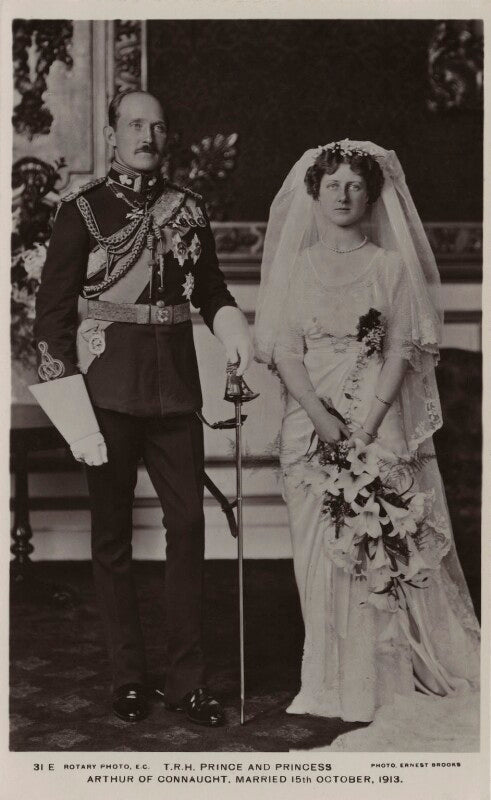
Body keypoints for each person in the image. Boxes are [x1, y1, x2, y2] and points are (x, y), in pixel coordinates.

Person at [32, 89, 252, 726]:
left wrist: (232, 327)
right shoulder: (82, 210)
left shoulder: (189, 208)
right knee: (112, 538)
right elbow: (51, 318)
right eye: (134, 125)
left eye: (156, 126)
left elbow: (209, 288)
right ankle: (128, 677)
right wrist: (72, 412)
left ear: (166, 136)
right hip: (106, 395)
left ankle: (187, 683)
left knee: (188, 529)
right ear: (111, 135)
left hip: (176, 393)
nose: (146, 136)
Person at [254, 140, 480, 725]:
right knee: (316, 552)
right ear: (315, 192)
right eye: (333, 184)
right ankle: (326, 680)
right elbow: (285, 350)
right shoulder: (296, 266)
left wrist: (367, 426)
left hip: (377, 419)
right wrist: (321, 417)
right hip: (309, 421)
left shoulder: (389, 267)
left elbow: (402, 348)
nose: (343, 195)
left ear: (371, 195)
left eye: (355, 185)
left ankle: (380, 680)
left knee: (383, 546)